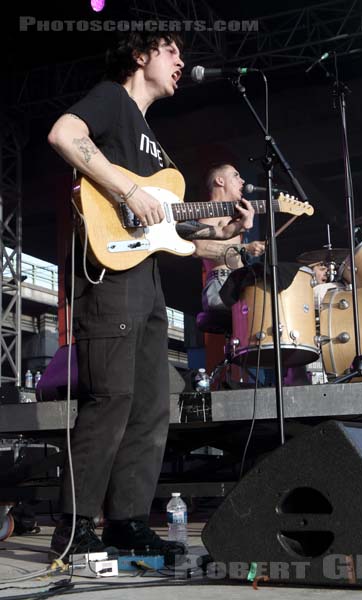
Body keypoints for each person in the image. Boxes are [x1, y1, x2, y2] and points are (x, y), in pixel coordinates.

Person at [47, 32, 255, 564]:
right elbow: (64, 134)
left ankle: (127, 523)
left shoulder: (153, 144)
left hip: (148, 283)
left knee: (150, 407)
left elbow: (178, 241)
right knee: (110, 399)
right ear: (140, 57)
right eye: (170, 52)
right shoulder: (111, 100)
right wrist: (127, 190)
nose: (181, 62)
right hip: (109, 275)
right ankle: (74, 528)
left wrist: (227, 234)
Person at [193, 163, 266, 312]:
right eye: (235, 175)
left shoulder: (228, 216)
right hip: (222, 283)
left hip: (234, 281)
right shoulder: (210, 210)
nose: (242, 181)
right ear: (220, 181)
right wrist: (246, 248)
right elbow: (198, 248)